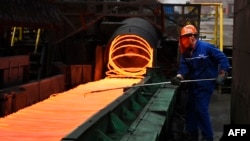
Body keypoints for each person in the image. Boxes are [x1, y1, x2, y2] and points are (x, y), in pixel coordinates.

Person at [171, 24, 230, 141]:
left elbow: (222, 58)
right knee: (190, 109)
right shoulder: (186, 53)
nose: (185, 40)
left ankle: (208, 137)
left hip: (205, 85)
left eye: (186, 37)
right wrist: (179, 77)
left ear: (192, 37)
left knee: (201, 109)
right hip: (194, 85)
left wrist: (223, 74)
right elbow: (184, 67)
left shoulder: (206, 47)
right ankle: (191, 134)